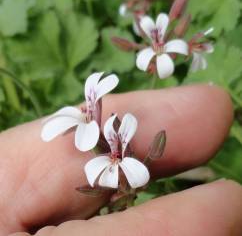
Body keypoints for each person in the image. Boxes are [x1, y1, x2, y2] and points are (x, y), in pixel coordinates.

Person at [1, 84, 242, 236]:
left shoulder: (114, 154)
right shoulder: (97, 146)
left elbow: (120, 162)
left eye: (91, 108)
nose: (88, 110)